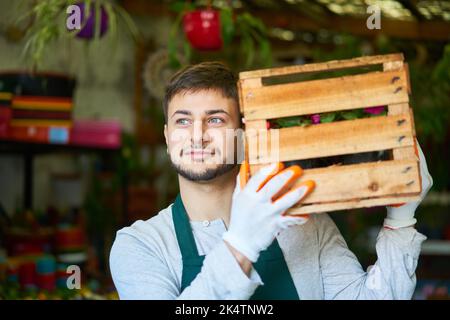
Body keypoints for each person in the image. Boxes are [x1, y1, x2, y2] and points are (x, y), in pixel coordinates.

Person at [109, 62, 432, 300]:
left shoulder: (305, 222)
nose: (197, 136)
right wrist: (241, 244)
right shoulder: (142, 245)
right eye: (183, 121)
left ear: (246, 135)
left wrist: (400, 220)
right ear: (167, 136)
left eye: (216, 119)